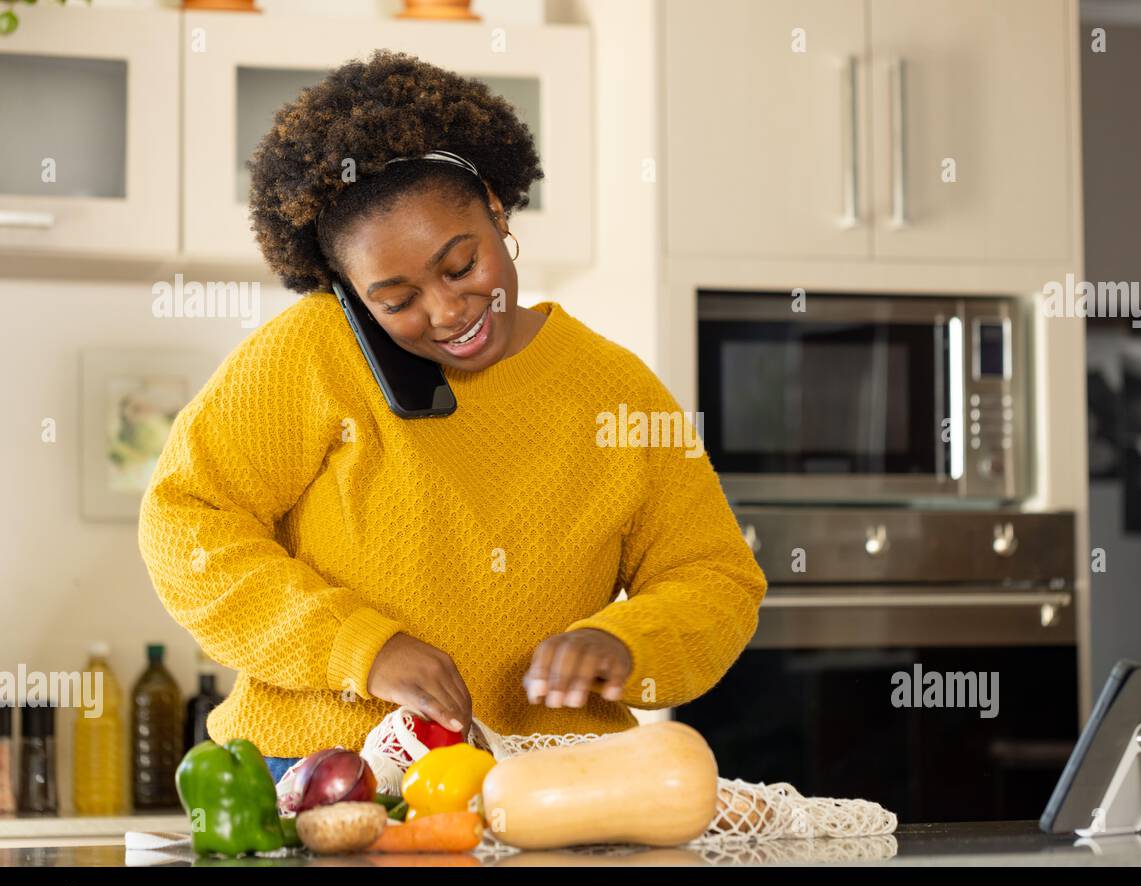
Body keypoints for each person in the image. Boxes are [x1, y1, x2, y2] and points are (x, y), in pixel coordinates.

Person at [137, 50, 765, 784]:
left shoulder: (616, 391)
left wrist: (624, 640)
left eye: (462, 266)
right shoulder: (312, 350)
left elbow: (715, 577)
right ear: (350, 293)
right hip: (316, 771)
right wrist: (360, 647)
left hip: (544, 785)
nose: (446, 311)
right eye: (396, 300)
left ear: (498, 211)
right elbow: (186, 523)